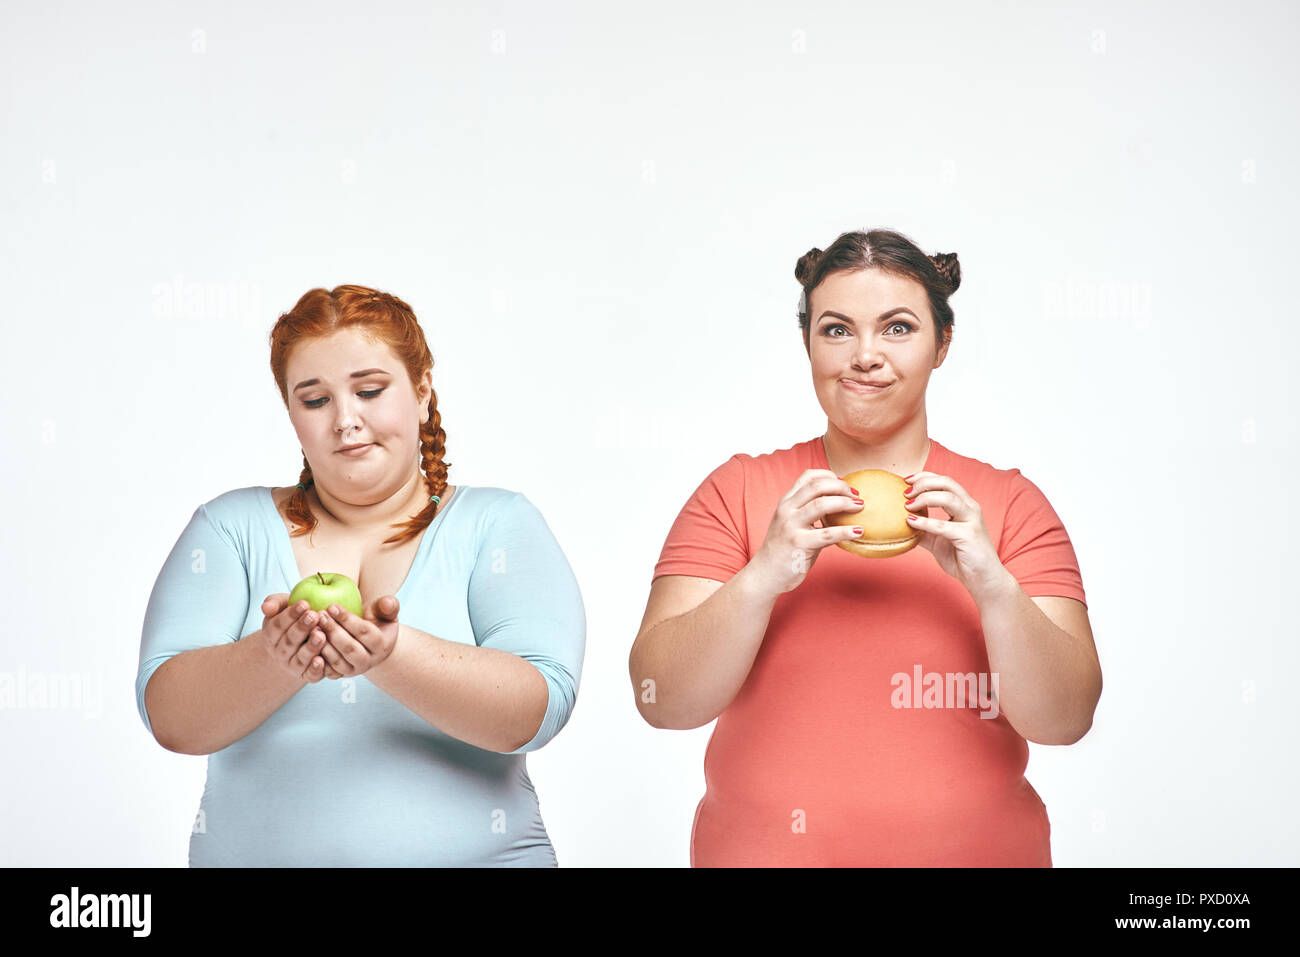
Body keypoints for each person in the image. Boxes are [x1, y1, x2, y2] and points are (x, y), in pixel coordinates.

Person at [629, 229, 1101, 867]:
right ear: (807, 344)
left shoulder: (1009, 506)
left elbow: (1065, 720)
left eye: (898, 327)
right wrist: (763, 574)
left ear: (942, 345)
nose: (866, 356)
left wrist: (994, 587)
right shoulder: (737, 491)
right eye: (837, 329)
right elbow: (663, 699)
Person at [136, 284, 585, 867]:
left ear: (422, 392)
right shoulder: (228, 528)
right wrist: (274, 658)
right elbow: (171, 719)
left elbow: (537, 710)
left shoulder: (498, 523)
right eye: (315, 400)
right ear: (291, 412)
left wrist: (390, 656)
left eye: (369, 390)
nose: (346, 421)